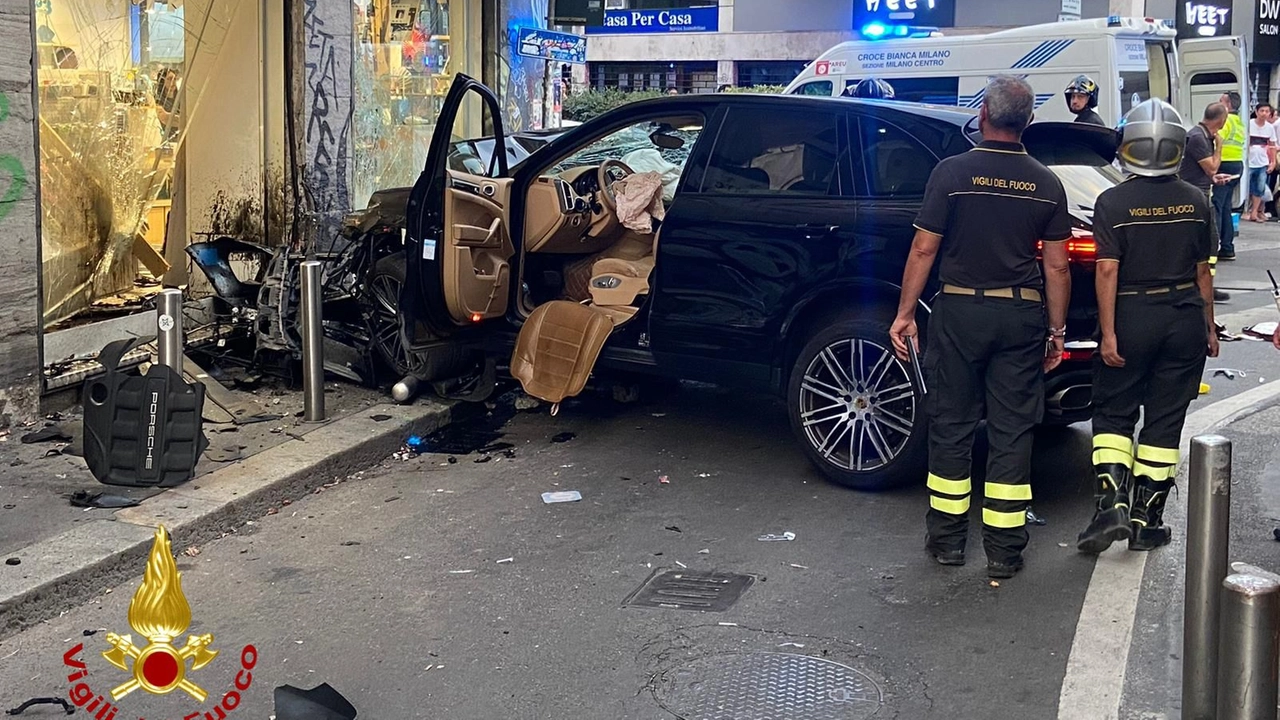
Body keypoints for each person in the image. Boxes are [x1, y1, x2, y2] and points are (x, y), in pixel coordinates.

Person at [888, 75, 1072, 580]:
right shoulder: (1046, 182)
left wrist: (905, 314)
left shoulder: (951, 173)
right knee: (1014, 431)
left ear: (983, 116)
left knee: (951, 424)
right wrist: (1056, 332)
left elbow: (924, 248)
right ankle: (1005, 550)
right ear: (1028, 122)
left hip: (960, 313)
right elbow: (1056, 267)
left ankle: (947, 542)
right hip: (1020, 316)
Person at [1076, 99, 1219, 554]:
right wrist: (1210, 327)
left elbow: (1106, 271)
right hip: (1183, 318)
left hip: (1131, 315)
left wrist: (1109, 332)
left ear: (1129, 146)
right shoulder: (1196, 200)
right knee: (1164, 421)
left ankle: (1110, 505)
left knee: (1114, 414)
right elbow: (1203, 273)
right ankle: (1146, 519)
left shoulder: (1112, 201)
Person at [1178, 102, 1231, 303]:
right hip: (1196, 197)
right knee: (1210, 242)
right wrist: (1219, 148)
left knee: (1209, 244)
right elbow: (1211, 168)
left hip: (1200, 191)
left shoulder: (1200, 135)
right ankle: (1203, 284)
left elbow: (1205, 172)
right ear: (1221, 120)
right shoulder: (1199, 137)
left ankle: (1207, 282)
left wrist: (1214, 179)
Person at [1214, 91, 1245, 259]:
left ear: (1228, 105)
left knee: (1216, 206)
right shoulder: (1239, 121)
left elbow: (1217, 139)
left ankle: (1214, 245)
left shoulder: (1226, 121)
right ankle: (1227, 247)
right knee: (1225, 207)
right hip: (1237, 165)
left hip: (1224, 165)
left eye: (1221, 101)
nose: (1218, 104)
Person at [1245, 102, 1278, 223]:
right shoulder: (1249, 124)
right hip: (1249, 162)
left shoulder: (1270, 128)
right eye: (1262, 111)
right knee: (1246, 187)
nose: (1264, 114)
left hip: (1262, 162)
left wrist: (1273, 161)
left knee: (1259, 188)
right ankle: (1245, 211)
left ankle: (1255, 212)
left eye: (1267, 111)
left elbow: (1272, 145)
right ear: (1256, 112)